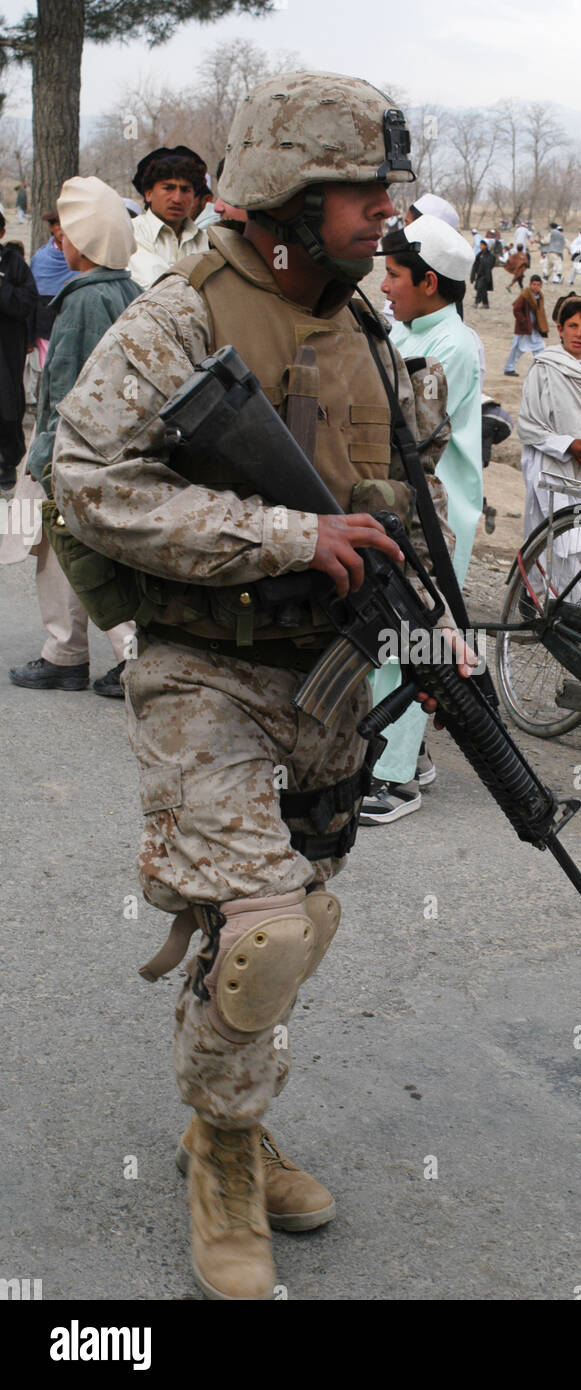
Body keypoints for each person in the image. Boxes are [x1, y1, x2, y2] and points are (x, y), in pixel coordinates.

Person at [50, 70, 465, 1302]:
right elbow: (89, 477)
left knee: (293, 920)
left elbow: (409, 505)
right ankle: (224, 1158)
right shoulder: (181, 313)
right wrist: (290, 539)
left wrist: (437, 641)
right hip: (203, 669)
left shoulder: (366, 324)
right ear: (288, 193)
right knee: (266, 928)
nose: (384, 211)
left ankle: (227, 1116)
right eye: (361, 190)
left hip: (328, 675)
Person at [360, 215, 481, 822]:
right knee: (393, 636)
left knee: (409, 642)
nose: (385, 286)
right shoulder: (407, 334)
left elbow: (414, 437)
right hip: (402, 512)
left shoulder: (451, 346)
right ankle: (413, 756)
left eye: (395, 276)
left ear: (429, 282)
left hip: (437, 519)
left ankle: (392, 777)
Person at [8, 177, 140, 698]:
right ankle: (72, 653)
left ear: (84, 243)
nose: (58, 238)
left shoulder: (85, 302)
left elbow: (66, 387)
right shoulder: (126, 290)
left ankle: (92, 656)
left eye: (66, 231)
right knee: (89, 553)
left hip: (76, 451)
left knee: (65, 552)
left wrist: (41, 457)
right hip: (112, 450)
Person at [517, 295, 581, 600]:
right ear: (560, 328)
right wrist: (567, 444)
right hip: (548, 464)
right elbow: (528, 425)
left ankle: (570, 605)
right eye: (572, 325)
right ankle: (535, 602)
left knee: (577, 534)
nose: (579, 333)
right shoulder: (544, 367)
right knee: (546, 535)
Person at [128, 145, 210, 289]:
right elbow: (159, 287)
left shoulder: (204, 240)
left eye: (185, 190)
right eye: (168, 188)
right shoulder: (132, 234)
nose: (177, 199)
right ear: (148, 194)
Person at [0, 214, 38, 491]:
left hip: (6, 349)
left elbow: (27, 302)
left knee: (7, 405)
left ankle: (7, 460)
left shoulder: (14, 264)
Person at [30, 211, 78, 367]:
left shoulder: (81, 256)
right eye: (57, 225)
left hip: (73, 321)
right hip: (46, 324)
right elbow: (33, 294)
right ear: (51, 228)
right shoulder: (41, 258)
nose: (62, 230)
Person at [504, 273, 547, 375]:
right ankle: (509, 368)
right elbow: (516, 309)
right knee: (517, 348)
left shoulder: (539, 296)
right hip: (524, 328)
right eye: (534, 284)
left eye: (538, 285)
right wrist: (523, 321)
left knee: (539, 347)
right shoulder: (525, 295)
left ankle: (541, 369)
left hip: (534, 328)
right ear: (530, 284)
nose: (535, 287)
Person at [470, 238, 494, 307]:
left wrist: (487, 275)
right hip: (479, 275)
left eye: (482, 245)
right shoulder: (479, 255)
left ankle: (476, 303)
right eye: (481, 245)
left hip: (485, 276)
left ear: (486, 246)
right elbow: (475, 265)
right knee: (483, 289)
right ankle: (485, 304)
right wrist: (473, 276)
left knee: (480, 288)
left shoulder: (490, 256)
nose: (481, 246)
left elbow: (489, 265)